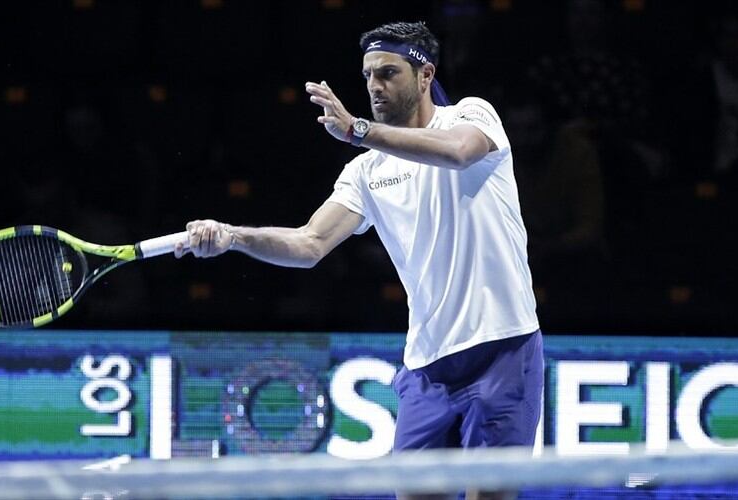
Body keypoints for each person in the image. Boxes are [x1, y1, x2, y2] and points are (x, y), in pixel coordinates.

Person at [175, 22, 542, 500]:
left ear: (425, 74)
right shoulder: (366, 170)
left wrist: (357, 130)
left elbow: (457, 154)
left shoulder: (471, 117)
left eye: (388, 72)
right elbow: (309, 244)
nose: (374, 86)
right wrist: (233, 237)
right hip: (427, 366)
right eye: (368, 75)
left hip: (503, 350)